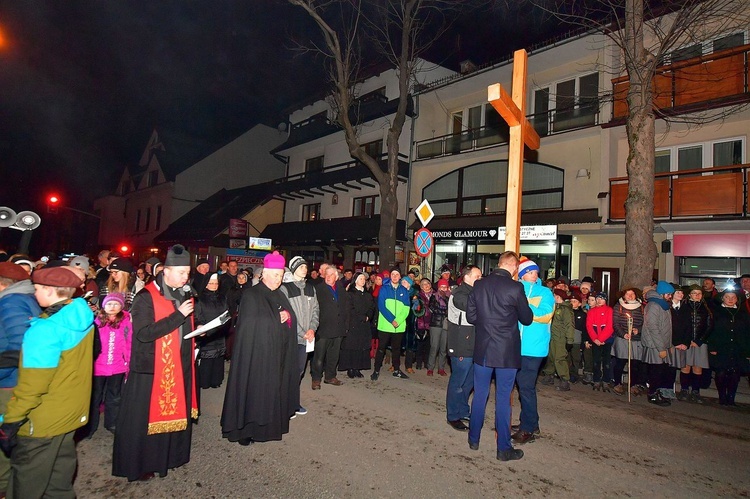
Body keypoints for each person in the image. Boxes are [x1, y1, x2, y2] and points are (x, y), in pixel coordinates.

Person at [0, 266, 94, 498]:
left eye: (38, 288)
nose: (34, 293)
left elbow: (33, 386)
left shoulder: (45, 330)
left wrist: (11, 420)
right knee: (58, 484)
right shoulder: (80, 315)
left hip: (42, 421)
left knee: (26, 485)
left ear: (51, 291)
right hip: (69, 414)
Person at [112, 244, 198, 481]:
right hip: (150, 368)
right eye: (182, 273)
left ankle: (166, 459)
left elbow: (181, 326)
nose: (186, 277)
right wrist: (179, 315)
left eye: (187, 273)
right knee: (144, 423)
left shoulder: (182, 292)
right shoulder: (145, 297)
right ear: (166, 271)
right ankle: (140, 466)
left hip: (177, 365)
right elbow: (144, 333)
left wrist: (195, 330)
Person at [221, 251, 299, 444]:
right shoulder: (251, 295)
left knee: (273, 392)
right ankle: (246, 430)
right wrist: (276, 319)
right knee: (254, 393)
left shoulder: (279, 294)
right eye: (274, 275)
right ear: (264, 274)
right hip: (256, 357)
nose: (278, 279)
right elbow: (250, 325)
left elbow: (290, 316)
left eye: (280, 276)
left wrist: (288, 317)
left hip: (277, 355)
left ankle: (269, 428)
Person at [466, 252, 532, 462]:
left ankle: (473, 438)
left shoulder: (479, 286)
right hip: (506, 351)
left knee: (480, 394)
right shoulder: (515, 288)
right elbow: (527, 318)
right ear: (513, 267)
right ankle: (503, 448)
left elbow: (471, 317)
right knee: (503, 398)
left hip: (484, 349)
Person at [0, 262, 42, 495]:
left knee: (5, 441)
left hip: (8, 383)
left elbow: (20, 345)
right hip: (15, 380)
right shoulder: (25, 299)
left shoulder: (11, 302)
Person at [513, 257, 554, 444]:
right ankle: (530, 422)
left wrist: (524, 306)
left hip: (534, 348)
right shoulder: (515, 290)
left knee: (526, 387)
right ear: (522, 274)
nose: (535, 274)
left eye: (536, 272)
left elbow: (545, 315)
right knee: (522, 387)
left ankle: (528, 428)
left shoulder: (544, 292)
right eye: (530, 272)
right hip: (515, 346)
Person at [88, 293, 132, 438]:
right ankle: (90, 426)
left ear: (121, 306)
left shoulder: (126, 322)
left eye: (116, 304)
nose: (112, 307)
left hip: (117, 366)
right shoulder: (96, 322)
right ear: (103, 306)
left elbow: (129, 343)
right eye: (109, 304)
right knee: (95, 397)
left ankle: (112, 422)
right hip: (98, 367)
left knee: (114, 396)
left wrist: (128, 362)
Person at [445, 265, 481, 431]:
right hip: (460, 344)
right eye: (477, 276)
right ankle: (453, 415)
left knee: (469, 382)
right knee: (458, 382)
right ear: (467, 277)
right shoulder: (459, 293)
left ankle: (463, 410)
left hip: (473, 343)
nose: (481, 279)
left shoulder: (474, 292)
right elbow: (472, 307)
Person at [281, 256, 318, 414]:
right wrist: (302, 333)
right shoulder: (285, 288)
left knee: (299, 371)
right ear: (294, 268)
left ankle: (294, 403)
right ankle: (283, 404)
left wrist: (312, 329)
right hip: (291, 339)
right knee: (287, 372)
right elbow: (288, 315)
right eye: (301, 266)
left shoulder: (311, 288)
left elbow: (316, 310)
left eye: (305, 266)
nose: (305, 268)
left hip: (306, 339)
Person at [707, 287, 750, 406]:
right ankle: (722, 396)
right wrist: (712, 347)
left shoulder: (743, 313)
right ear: (722, 299)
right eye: (727, 297)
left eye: (733, 297)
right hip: (721, 347)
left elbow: (747, 332)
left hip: (738, 347)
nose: (730, 299)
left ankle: (731, 398)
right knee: (721, 372)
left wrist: (748, 351)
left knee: (735, 373)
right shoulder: (716, 312)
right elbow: (711, 330)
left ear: (737, 299)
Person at [371, 267, 411, 381]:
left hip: (398, 326)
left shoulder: (404, 291)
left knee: (396, 350)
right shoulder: (384, 289)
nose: (394, 276)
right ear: (390, 276)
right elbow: (381, 306)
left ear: (400, 277)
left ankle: (397, 370)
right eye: (392, 274)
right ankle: (376, 370)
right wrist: (392, 319)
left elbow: (406, 308)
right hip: (385, 325)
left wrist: (397, 321)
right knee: (381, 349)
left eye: (397, 274)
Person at [675, 285, 712, 403]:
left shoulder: (706, 308)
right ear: (689, 295)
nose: (697, 295)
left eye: (699, 293)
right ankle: (684, 390)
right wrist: (686, 340)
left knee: (698, 367)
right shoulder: (684, 307)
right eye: (694, 293)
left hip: (700, 343)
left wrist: (699, 340)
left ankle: (696, 391)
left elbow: (709, 326)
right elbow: (681, 325)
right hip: (686, 342)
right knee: (685, 366)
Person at [311, 266, 347, 388]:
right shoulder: (318, 289)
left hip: (338, 328)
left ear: (336, 277)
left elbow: (346, 308)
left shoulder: (341, 290)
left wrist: (345, 326)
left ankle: (330, 376)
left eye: (331, 274)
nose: (328, 276)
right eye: (327, 274)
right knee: (319, 356)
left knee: (333, 355)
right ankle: (316, 378)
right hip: (323, 329)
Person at [641, 281, 675, 407]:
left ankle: (656, 391)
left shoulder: (663, 305)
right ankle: (652, 394)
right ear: (661, 294)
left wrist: (669, 345)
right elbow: (653, 327)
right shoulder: (654, 305)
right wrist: (661, 347)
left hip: (661, 343)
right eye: (668, 294)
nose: (670, 296)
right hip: (654, 345)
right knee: (656, 371)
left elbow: (667, 327)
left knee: (661, 371)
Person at [195, 274, 229, 389]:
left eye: (216, 283)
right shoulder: (200, 299)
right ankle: (205, 382)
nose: (214, 286)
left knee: (218, 359)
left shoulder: (222, 297)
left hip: (220, 332)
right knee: (207, 359)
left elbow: (226, 312)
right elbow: (198, 316)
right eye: (211, 283)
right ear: (206, 284)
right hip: (207, 332)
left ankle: (216, 381)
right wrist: (202, 326)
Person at [611, 287, 645, 396]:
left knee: (635, 364)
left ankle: (633, 384)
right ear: (623, 295)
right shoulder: (619, 306)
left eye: (632, 294)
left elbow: (645, 323)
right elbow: (615, 323)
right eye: (627, 294)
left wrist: (638, 330)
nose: (630, 296)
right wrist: (623, 333)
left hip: (636, 340)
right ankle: (617, 383)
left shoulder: (641, 307)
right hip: (622, 339)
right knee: (620, 363)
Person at [340, 272, 375, 378]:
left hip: (364, 325)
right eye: (361, 279)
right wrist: (361, 317)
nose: (363, 281)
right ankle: (350, 368)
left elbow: (372, 307)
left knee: (361, 347)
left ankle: (357, 368)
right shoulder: (350, 294)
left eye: (364, 279)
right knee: (352, 346)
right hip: (353, 324)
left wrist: (368, 316)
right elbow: (349, 309)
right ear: (355, 280)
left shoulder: (368, 294)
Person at [540, 289, 575, 391]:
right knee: (550, 357)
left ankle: (565, 380)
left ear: (558, 297)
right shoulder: (554, 307)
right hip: (552, 336)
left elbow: (569, 326)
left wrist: (569, 340)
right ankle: (549, 375)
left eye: (554, 295)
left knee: (559, 358)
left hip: (560, 338)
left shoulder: (566, 310)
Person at [586, 292, 614, 392]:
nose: (599, 300)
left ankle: (606, 380)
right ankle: (596, 380)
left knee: (606, 361)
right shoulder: (591, 311)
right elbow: (589, 326)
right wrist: (595, 339)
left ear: (605, 300)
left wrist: (601, 339)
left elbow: (609, 326)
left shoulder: (609, 310)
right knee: (596, 361)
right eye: (598, 298)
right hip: (596, 340)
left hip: (607, 340)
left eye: (602, 298)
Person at [427, 279, 450, 377]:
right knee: (434, 347)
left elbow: (452, 308)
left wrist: (446, 299)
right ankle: (430, 368)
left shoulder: (450, 297)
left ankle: (441, 368)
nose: (443, 289)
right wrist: (444, 312)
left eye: (445, 287)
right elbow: (432, 308)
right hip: (435, 324)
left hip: (446, 325)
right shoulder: (434, 296)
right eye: (442, 287)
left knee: (443, 348)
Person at [568, 292, 587, 384]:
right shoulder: (567, 312)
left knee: (575, 358)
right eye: (571, 301)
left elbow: (583, 328)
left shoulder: (582, 314)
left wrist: (583, 342)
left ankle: (574, 374)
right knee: (567, 357)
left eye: (575, 301)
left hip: (576, 339)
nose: (572, 303)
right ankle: (566, 373)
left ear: (579, 303)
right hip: (567, 338)